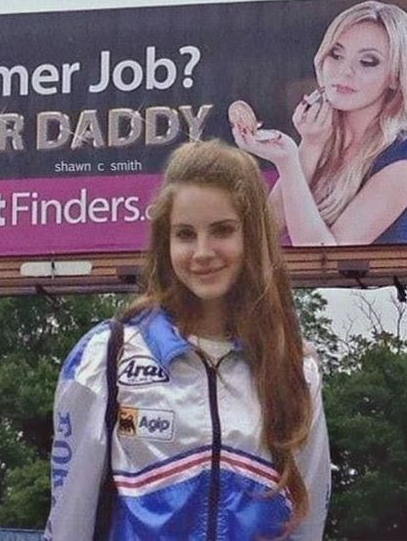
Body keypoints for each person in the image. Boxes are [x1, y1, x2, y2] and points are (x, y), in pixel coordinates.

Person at [45, 140, 330, 540]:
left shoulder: (295, 371)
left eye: (222, 231)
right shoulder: (105, 358)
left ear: (254, 238)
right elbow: (68, 525)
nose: (202, 251)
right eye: (185, 234)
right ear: (166, 241)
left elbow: (308, 526)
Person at [233, 0, 407, 245]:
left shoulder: (404, 160)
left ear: (395, 76)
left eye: (367, 61)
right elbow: (260, 237)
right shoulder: (323, 139)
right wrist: (309, 146)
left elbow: (327, 261)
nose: (344, 71)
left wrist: (288, 161)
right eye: (336, 55)